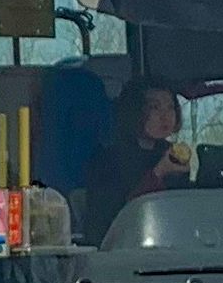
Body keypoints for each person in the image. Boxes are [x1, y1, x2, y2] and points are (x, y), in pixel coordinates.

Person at [80, 85, 189, 240]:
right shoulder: (108, 158)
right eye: (155, 107)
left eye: (170, 107)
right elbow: (116, 219)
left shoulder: (169, 153)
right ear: (134, 111)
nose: (165, 116)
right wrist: (158, 173)